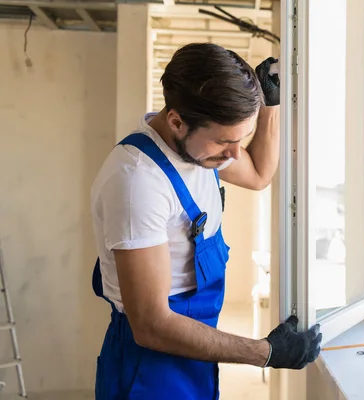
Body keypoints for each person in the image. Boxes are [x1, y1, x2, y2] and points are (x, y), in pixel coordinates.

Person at [90, 43, 322, 400]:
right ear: (177, 121)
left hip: (191, 349)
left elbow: (259, 174)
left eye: (239, 140)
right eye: (224, 143)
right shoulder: (138, 182)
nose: (233, 155)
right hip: (148, 368)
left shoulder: (198, 146)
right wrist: (267, 352)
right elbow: (151, 326)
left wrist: (270, 107)